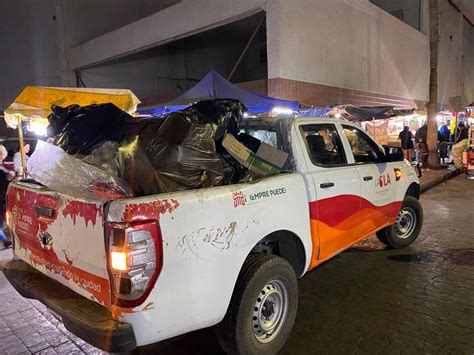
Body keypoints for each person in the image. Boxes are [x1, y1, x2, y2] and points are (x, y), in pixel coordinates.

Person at [0, 145, 14, 249]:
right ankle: (5, 240)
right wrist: (10, 175)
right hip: (1, 199)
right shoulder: (2, 170)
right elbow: (8, 177)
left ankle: (5, 240)